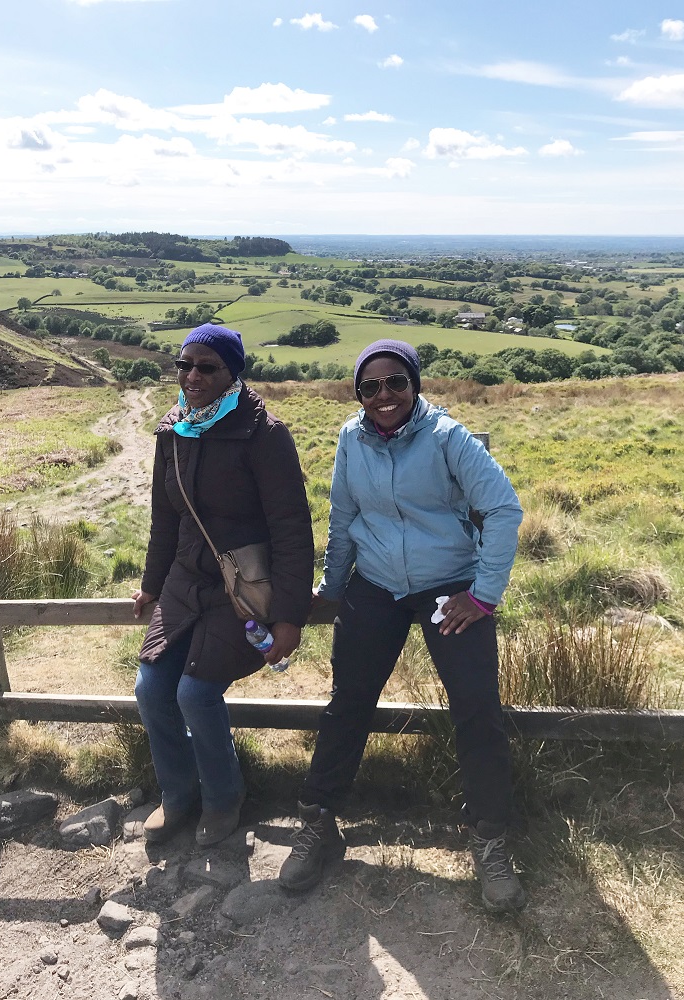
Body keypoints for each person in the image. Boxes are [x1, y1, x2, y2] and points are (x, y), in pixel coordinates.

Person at [279, 339, 526, 912]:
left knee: (476, 708)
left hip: (448, 587)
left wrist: (482, 596)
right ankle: (319, 823)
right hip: (377, 585)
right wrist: (334, 588)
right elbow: (344, 518)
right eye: (371, 386)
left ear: (415, 385)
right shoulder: (350, 438)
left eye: (396, 382)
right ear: (358, 393)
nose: (384, 395)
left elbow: (504, 508)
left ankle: (490, 840)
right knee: (349, 702)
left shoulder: (448, 438)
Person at [133, 323, 314, 848]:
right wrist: (150, 583)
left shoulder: (264, 434)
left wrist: (289, 615)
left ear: (233, 371)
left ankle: (222, 797)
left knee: (196, 692)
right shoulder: (173, 431)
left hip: (240, 589)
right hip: (184, 581)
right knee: (151, 689)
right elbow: (164, 519)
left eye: (206, 367)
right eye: (184, 365)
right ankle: (177, 794)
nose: (192, 376)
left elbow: (291, 528)